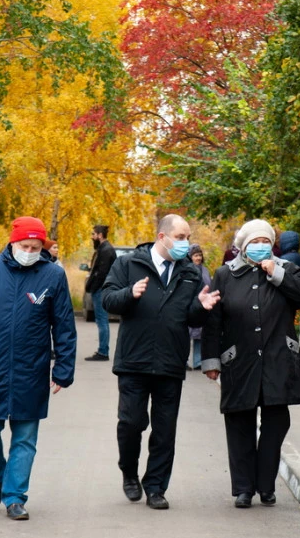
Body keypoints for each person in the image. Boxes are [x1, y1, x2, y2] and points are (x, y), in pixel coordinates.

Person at [0, 216, 77, 521]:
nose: (31, 251)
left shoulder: (52, 276)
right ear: (13, 242)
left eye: (36, 247)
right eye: (26, 245)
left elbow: (64, 327)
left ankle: (15, 497)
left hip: (30, 370)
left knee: (24, 438)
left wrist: (63, 368)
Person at [101, 214, 221, 510]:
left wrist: (202, 308)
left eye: (187, 237)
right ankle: (129, 472)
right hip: (134, 360)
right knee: (131, 423)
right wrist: (129, 293)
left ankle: (155, 486)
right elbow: (107, 300)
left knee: (165, 429)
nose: (186, 243)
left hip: (170, 361)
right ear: (162, 237)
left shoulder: (189, 273)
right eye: (180, 237)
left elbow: (190, 317)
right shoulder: (129, 264)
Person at [201, 220, 300, 508]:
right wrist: (211, 360)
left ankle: (265, 485)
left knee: (277, 423)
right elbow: (214, 321)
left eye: (266, 241)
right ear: (243, 246)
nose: (261, 246)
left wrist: (275, 273)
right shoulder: (225, 275)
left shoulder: (286, 270)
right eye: (255, 242)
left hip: (279, 361)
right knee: (239, 422)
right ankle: (243, 489)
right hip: (239, 361)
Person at [85, 225, 117, 361]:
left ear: (99, 235)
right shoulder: (103, 249)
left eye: (93, 234)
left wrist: (93, 287)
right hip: (100, 288)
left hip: (101, 289)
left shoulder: (106, 250)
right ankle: (103, 350)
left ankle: (103, 352)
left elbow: (101, 273)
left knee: (102, 320)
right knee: (101, 320)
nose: (92, 237)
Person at [187, 244, 211, 370]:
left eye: (200, 255)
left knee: (199, 337)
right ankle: (183, 361)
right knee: (185, 336)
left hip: (202, 306)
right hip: (189, 305)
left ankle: (197, 362)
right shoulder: (187, 269)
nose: (198, 258)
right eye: (196, 255)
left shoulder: (205, 270)